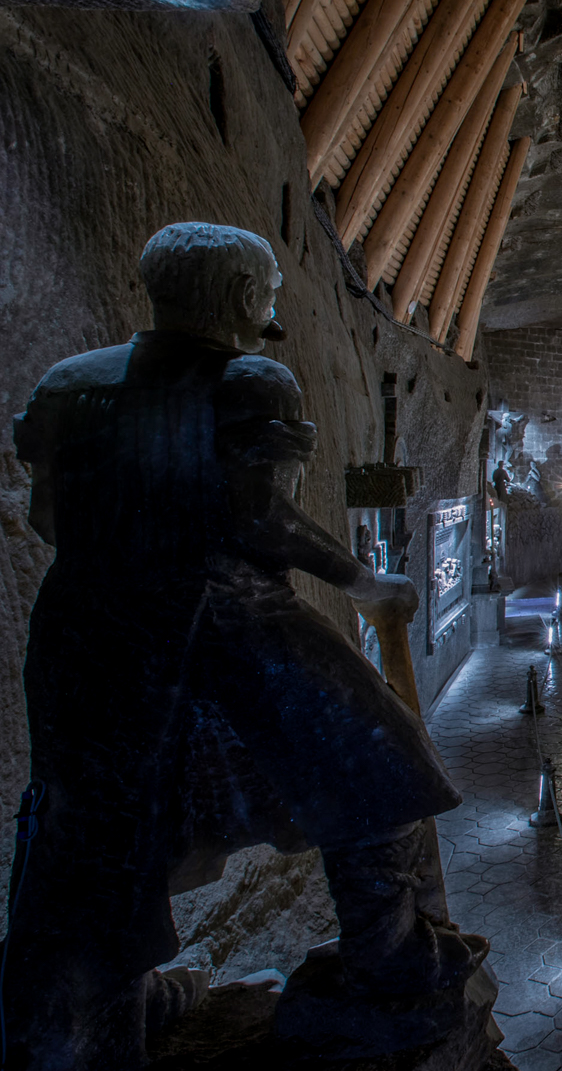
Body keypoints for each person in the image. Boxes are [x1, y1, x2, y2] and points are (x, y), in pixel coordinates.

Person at [7, 223, 484, 1070]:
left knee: (89, 835)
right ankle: (392, 963)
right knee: (383, 767)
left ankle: (80, 1024)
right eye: (265, 296)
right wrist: (367, 585)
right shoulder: (250, 380)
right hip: (220, 616)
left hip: (82, 630)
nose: (270, 313)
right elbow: (262, 518)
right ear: (238, 299)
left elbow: (47, 517)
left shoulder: (67, 384)